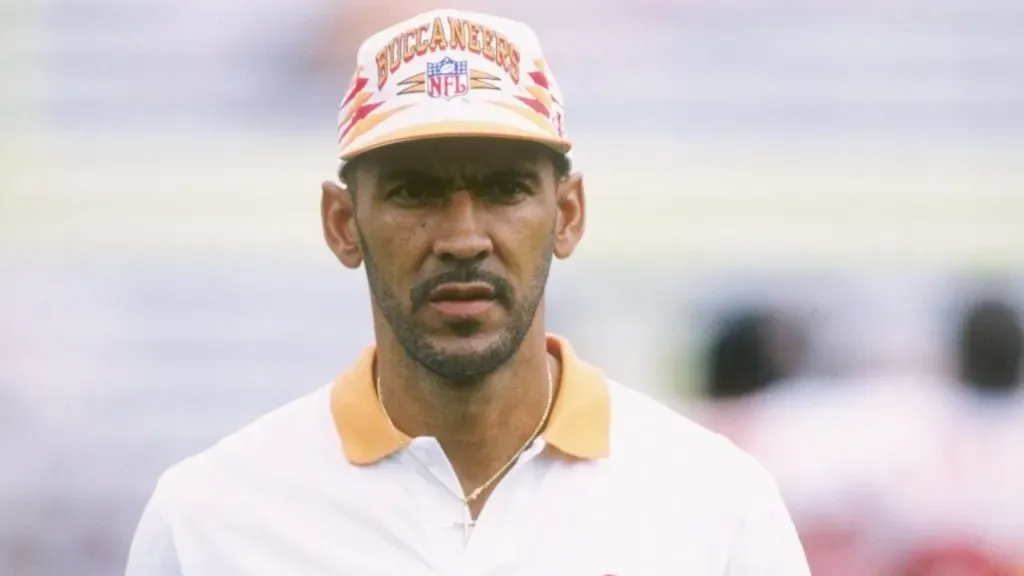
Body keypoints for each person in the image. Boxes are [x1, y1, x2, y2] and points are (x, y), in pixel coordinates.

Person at [125, 9, 810, 575]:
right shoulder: (211, 520)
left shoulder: (717, 508)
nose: (462, 236)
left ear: (568, 214)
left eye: (504, 188)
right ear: (342, 224)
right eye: (413, 190)